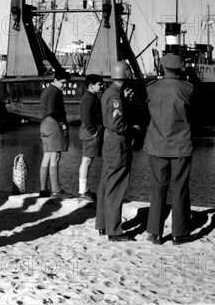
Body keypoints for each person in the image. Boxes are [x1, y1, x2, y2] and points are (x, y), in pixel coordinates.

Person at [144, 54, 195, 246]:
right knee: (179, 188)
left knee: (158, 187)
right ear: (180, 68)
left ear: (161, 67)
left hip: (157, 144)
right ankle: (179, 233)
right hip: (180, 145)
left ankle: (154, 233)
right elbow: (193, 116)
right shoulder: (188, 89)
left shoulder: (151, 89)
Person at [96, 61, 137, 242]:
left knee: (106, 182)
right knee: (116, 185)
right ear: (127, 75)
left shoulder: (110, 93)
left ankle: (103, 224)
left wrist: (125, 102)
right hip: (118, 142)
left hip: (109, 141)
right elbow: (117, 124)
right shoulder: (115, 96)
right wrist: (133, 129)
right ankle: (114, 230)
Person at [39, 71, 71, 198]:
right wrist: (62, 122)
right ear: (56, 80)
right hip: (54, 124)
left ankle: (43, 189)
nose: (64, 86)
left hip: (44, 124)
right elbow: (52, 110)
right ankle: (56, 189)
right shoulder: (55, 91)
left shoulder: (46, 91)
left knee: (46, 156)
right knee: (55, 157)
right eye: (63, 83)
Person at [77, 74, 104, 201]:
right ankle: (82, 190)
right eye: (99, 84)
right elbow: (86, 116)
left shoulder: (91, 96)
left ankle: (83, 189)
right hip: (89, 133)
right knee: (87, 161)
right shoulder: (88, 98)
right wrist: (93, 131)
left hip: (89, 132)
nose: (102, 86)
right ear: (91, 85)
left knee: (87, 160)